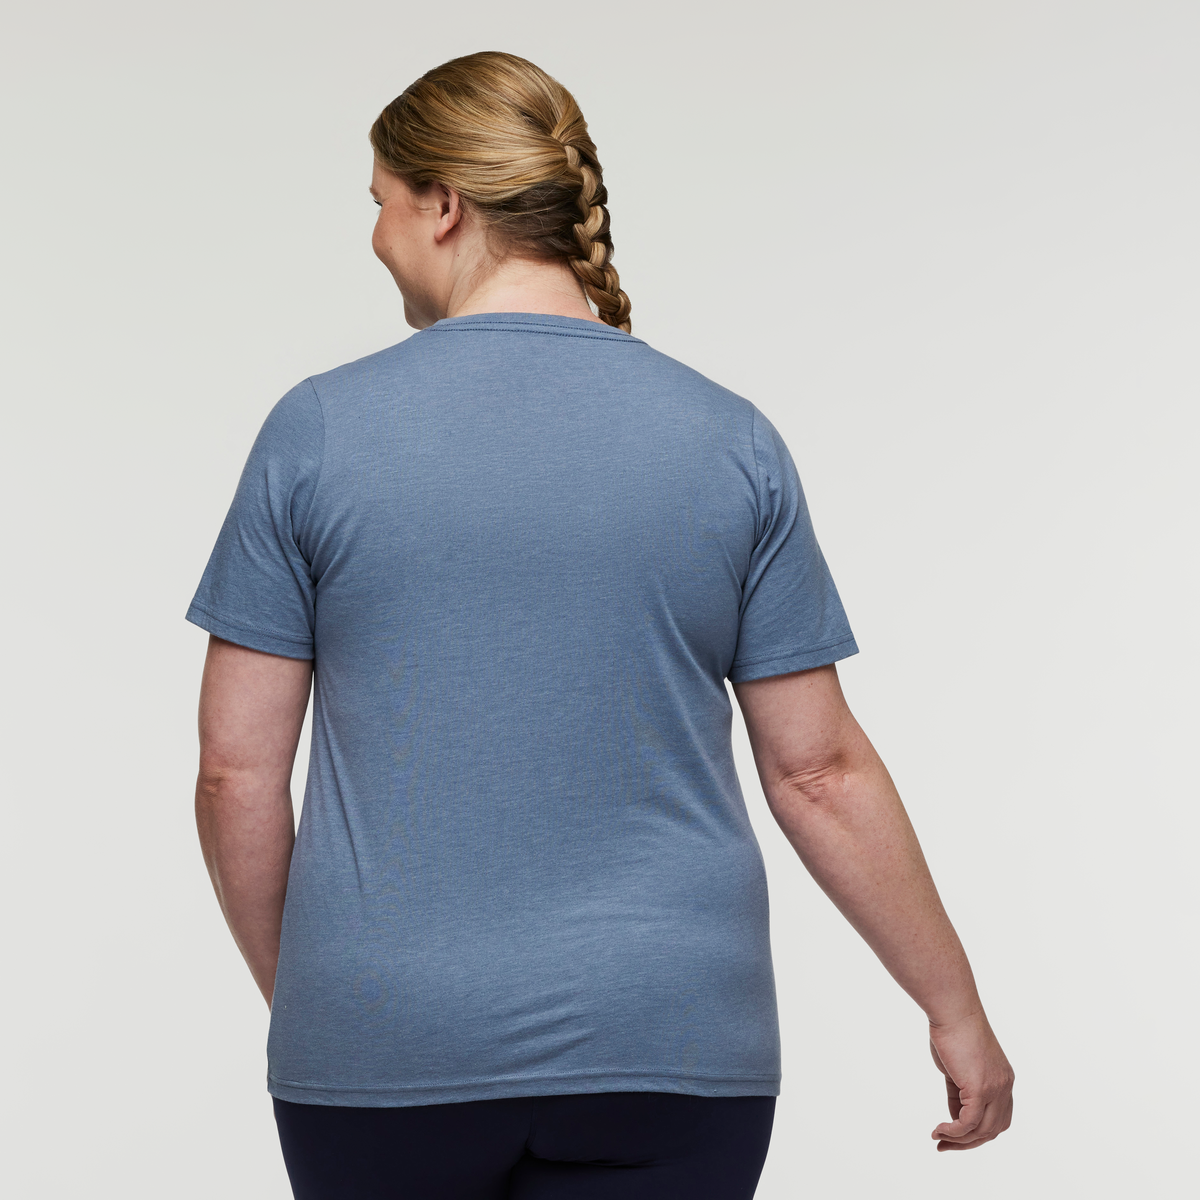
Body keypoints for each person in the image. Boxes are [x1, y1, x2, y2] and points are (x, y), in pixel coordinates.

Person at [188, 51, 1013, 1200]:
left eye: (378, 203)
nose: (374, 236)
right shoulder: (728, 440)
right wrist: (953, 1007)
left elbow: (234, 772)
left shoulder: (318, 431)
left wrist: (330, 1007)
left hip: (387, 1043)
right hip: (669, 1045)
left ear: (442, 204)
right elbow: (819, 771)